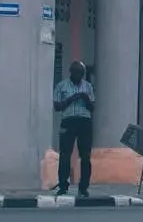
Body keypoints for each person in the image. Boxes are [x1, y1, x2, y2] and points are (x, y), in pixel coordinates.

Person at [52, 61, 95, 198]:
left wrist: (86, 99)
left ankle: (83, 188)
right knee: (65, 155)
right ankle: (63, 186)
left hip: (84, 122)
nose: (78, 76)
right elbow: (57, 106)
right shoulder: (61, 86)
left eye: (81, 73)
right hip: (68, 121)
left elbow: (92, 107)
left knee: (86, 156)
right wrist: (73, 98)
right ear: (71, 72)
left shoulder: (88, 87)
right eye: (76, 73)